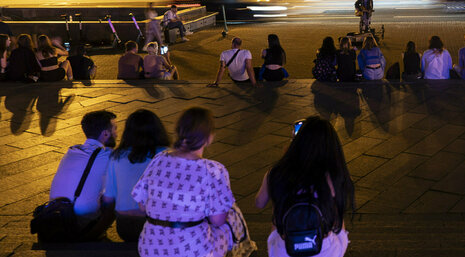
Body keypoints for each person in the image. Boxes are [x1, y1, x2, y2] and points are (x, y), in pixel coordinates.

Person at [131, 107, 248, 257]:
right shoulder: (213, 170)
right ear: (209, 137)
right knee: (231, 217)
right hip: (190, 249)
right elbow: (217, 220)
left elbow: (142, 205)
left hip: (150, 247)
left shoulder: (159, 158)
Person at [255, 116, 354, 257]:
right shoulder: (334, 176)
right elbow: (338, 214)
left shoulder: (275, 173)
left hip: (283, 249)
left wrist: (285, 161)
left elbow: (259, 203)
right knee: (336, 214)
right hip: (325, 249)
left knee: (279, 205)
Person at [103, 109, 170, 242]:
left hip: (125, 226)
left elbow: (108, 198)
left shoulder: (117, 156)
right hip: (154, 225)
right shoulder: (167, 155)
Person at [50, 111, 117, 240]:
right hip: (81, 223)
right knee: (117, 194)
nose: (116, 133)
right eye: (114, 129)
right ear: (105, 133)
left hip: (57, 216)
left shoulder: (71, 151)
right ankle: (90, 238)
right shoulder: (108, 155)